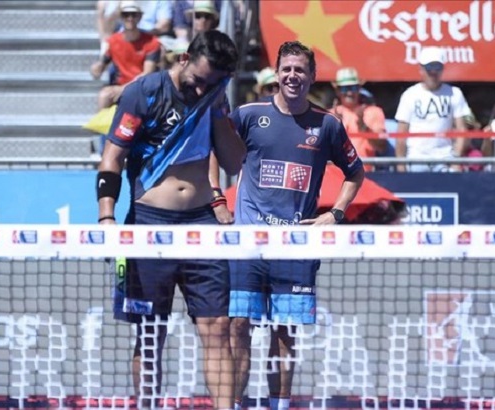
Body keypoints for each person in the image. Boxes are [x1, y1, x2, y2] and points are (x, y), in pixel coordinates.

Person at [96, 30, 244, 410]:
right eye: (198, 81)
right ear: (183, 60)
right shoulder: (142, 92)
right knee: (150, 334)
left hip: (201, 225)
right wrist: (107, 217)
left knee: (218, 328)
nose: (200, 90)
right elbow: (112, 158)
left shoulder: (214, 98)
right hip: (149, 224)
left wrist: (216, 108)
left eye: (212, 83)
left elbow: (233, 162)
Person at [229, 41, 365, 410]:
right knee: (238, 327)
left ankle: (280, 406)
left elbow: (355, 173)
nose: (293, 75)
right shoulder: (248, 115)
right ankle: (235, 405)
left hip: (295, 248)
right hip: (247, 245)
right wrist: (215, 199)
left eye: (300, 70)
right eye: (287, 69)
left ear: (312, 76)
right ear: (276, 73)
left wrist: (335, 213)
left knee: (284, 333)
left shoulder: (328, 125)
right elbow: (214, 149)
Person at [394, 46, 470, 172]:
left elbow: (462, 130)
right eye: (429, 67)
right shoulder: (409, 95)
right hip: (416, 159)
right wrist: (401, 165)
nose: (433, 72)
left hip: (445, 159)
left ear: (443, 69)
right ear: (421, 69)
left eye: (437, 67)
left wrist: (456, 161)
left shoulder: (455, 93)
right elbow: (401, 134)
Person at [90, 1, 162, 109]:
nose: (130, 18)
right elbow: (101, 65)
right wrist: (96, 68)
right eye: (126, 15)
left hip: (143, 87)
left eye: (134, 15)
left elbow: (147, 74)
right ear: (121, 17)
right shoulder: (113, 41)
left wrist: (123, 89)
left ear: (140, 17)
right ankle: (103, 120)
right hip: (120, 85)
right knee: (104, 95)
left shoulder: (152, 42)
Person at [331, 67, 387, 171]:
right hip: (335, 175)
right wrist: (335, 128)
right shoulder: (329, 115)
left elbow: (382, 146)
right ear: (337, 91)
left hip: (365, 174)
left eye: (353, 88)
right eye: (344, 88)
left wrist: (363, 127)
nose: (349, 93)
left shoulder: (375, 112)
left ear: (359, 89)